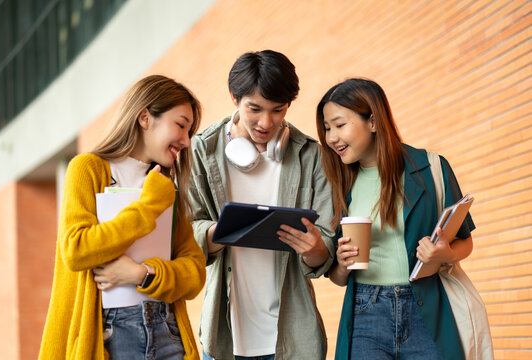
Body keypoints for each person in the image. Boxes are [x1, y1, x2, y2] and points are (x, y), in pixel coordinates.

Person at [39, 75, 206, 360]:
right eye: (180, 125)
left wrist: (143, 274)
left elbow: (194, 273)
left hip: (166, 330)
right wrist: (148, 207)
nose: (186, 141)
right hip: (111, 335)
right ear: (144, 117)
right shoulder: (88, 169)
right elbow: (76, 250)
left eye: (189, 131)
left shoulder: (166, 185)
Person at [188, 50, 335, 360]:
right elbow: (186, 234)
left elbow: (327, 249)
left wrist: (315, 250)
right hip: (225, 340)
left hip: (295, 342)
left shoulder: (310, 156)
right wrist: (222, 231)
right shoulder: (201, 151)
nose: (266, 122)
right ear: (234, 98)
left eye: (278, 110)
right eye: (254, 108)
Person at [316, 78, 475, 360]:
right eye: (327, 129)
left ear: (373, 122)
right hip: (365, 311)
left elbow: (465, 242)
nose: (331, 138)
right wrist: (341, 265)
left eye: (340, 125)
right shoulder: (339, 183)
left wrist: (443, 254)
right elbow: (339, 279)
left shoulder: (430, 168)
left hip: (426, 308)